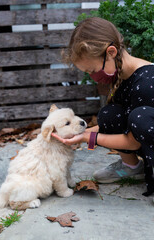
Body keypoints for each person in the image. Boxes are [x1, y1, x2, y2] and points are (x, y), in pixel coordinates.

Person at [52, 17, 154, 197]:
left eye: (92, 70)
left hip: (143, 134)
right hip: (144, 141)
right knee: (109, 114)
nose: (93, 76)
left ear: (111, 52)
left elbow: (133, 140)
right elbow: (121, 126)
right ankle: (131, 167)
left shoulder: (147, 83)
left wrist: (88, 138)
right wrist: (80, 133)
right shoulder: (121, 74)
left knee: (140, 117)